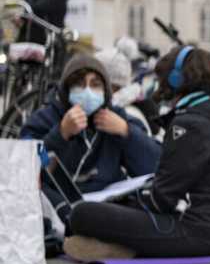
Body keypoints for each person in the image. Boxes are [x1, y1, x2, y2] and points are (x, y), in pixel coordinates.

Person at [63, 46, 210, 260]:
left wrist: (120, 205)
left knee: (82, 213)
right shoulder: (209, 116)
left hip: (200, 233)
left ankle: (118, 247)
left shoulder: (190, 125)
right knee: (109, 210)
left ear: (178, 80)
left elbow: (161, 200)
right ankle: (115, 245)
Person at [21, 53, 161, 225]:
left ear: (105, 91)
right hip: (62, 205)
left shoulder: (116, 116)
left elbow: (154, 166)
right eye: (79, 85)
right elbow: (25, 168)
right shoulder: (47, 117)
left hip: (107, 203)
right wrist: (60, 134)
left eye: (95, 85)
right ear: (66, 90)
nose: (87, 91)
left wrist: (126, 132)